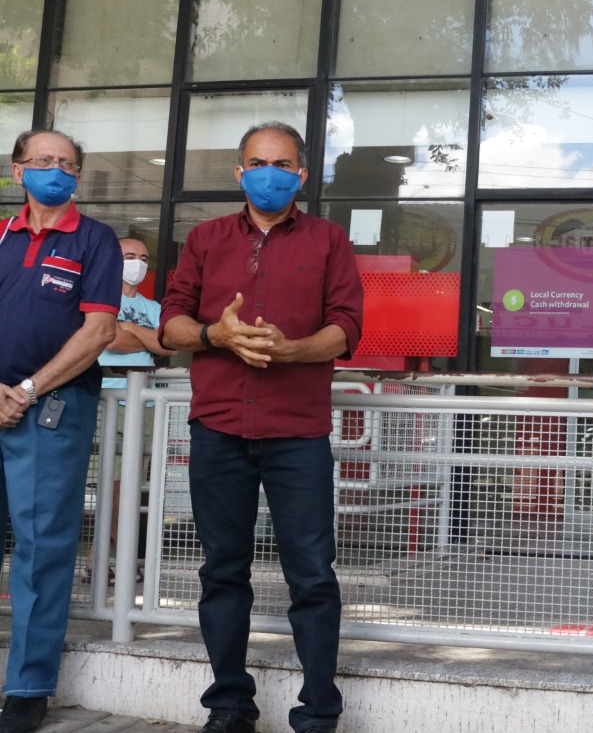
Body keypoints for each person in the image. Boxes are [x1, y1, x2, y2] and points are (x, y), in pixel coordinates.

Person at [159, 122, 363, 733]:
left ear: (302, 175)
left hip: (297, 432)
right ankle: (228, 704)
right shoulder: (205, 238)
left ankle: (319, 713)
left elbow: (347, 327)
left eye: (281, 163)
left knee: (312, 573)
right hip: (218, 426)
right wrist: (215, 335)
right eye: (256, 161)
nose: (268, 173)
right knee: (222, 570)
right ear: (238, 171)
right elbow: (171, 323)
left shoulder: (329, 240)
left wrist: (292, 349)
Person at [0, 129, 121, 733]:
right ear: (18, 171)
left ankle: (26, 685)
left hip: (51, 410)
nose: (56, 170)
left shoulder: (95, 241)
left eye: (67, 164)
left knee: (42, 549)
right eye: (43, 161)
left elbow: (98, 331)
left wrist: (25, 390)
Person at [98, 237, 176, 580]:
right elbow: (109, 340)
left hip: (143, 403)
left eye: (143, 257)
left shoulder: (153, 306)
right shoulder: (99, 298)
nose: (138, 263)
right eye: (130, 256)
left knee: (130, 487)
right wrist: (142, 336)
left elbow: (167, 344)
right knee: (110, 484)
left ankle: (111, 561)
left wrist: (128, 327)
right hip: (108, 399)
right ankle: (106, 559)